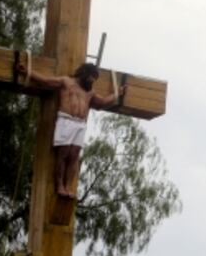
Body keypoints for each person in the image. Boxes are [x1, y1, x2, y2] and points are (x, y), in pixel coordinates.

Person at [15, 61, 125, 197]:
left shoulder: (90, 92)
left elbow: (102, 103)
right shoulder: (66, 82)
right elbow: (46, 81)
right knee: (63, 153)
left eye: (94, 78)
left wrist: (117, 94)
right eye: (91, 76)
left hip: (80, 124)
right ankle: (60, 185)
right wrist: (28, 72)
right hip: (66, 120)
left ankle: (68, 186)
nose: (92, 80)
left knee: (74, 155)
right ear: (84, 73)